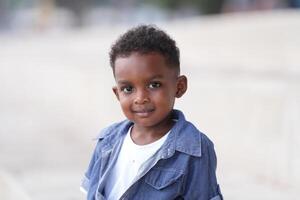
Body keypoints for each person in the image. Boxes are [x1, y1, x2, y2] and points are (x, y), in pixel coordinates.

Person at [81, 25, 223, 200]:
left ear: (179, 87)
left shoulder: (195, 150)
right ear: (117, 93)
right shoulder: (106, 141)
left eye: (154, 85)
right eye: (128, 88)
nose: (140, 98)